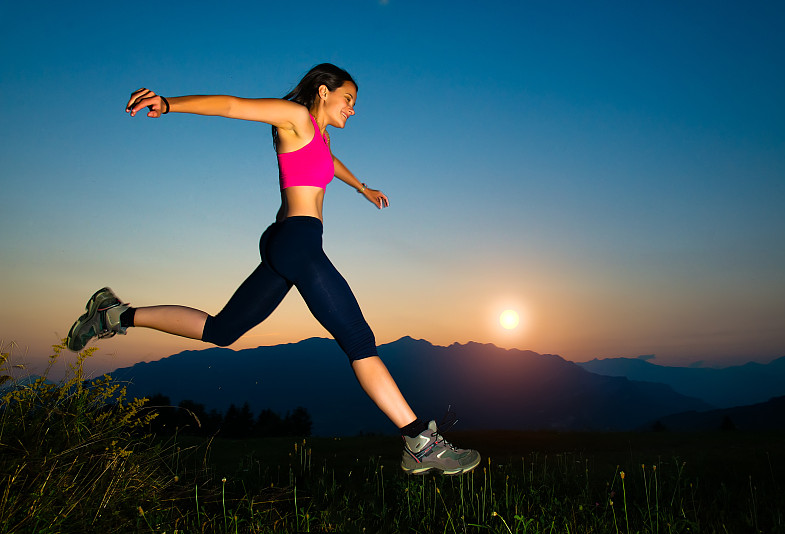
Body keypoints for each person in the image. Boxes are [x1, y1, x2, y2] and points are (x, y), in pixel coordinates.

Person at [66, 63, 480, 476]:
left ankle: (113, 314)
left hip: (289, 241)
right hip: (297, 242)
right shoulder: (295, 117)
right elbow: (231, 106)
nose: (352, 109)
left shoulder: (319, 134)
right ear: (323, 91)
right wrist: (169, 104)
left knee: (222, 331)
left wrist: (361, 188)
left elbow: (329, 161)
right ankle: (418, 442)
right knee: (358, 339)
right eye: (348, 100)